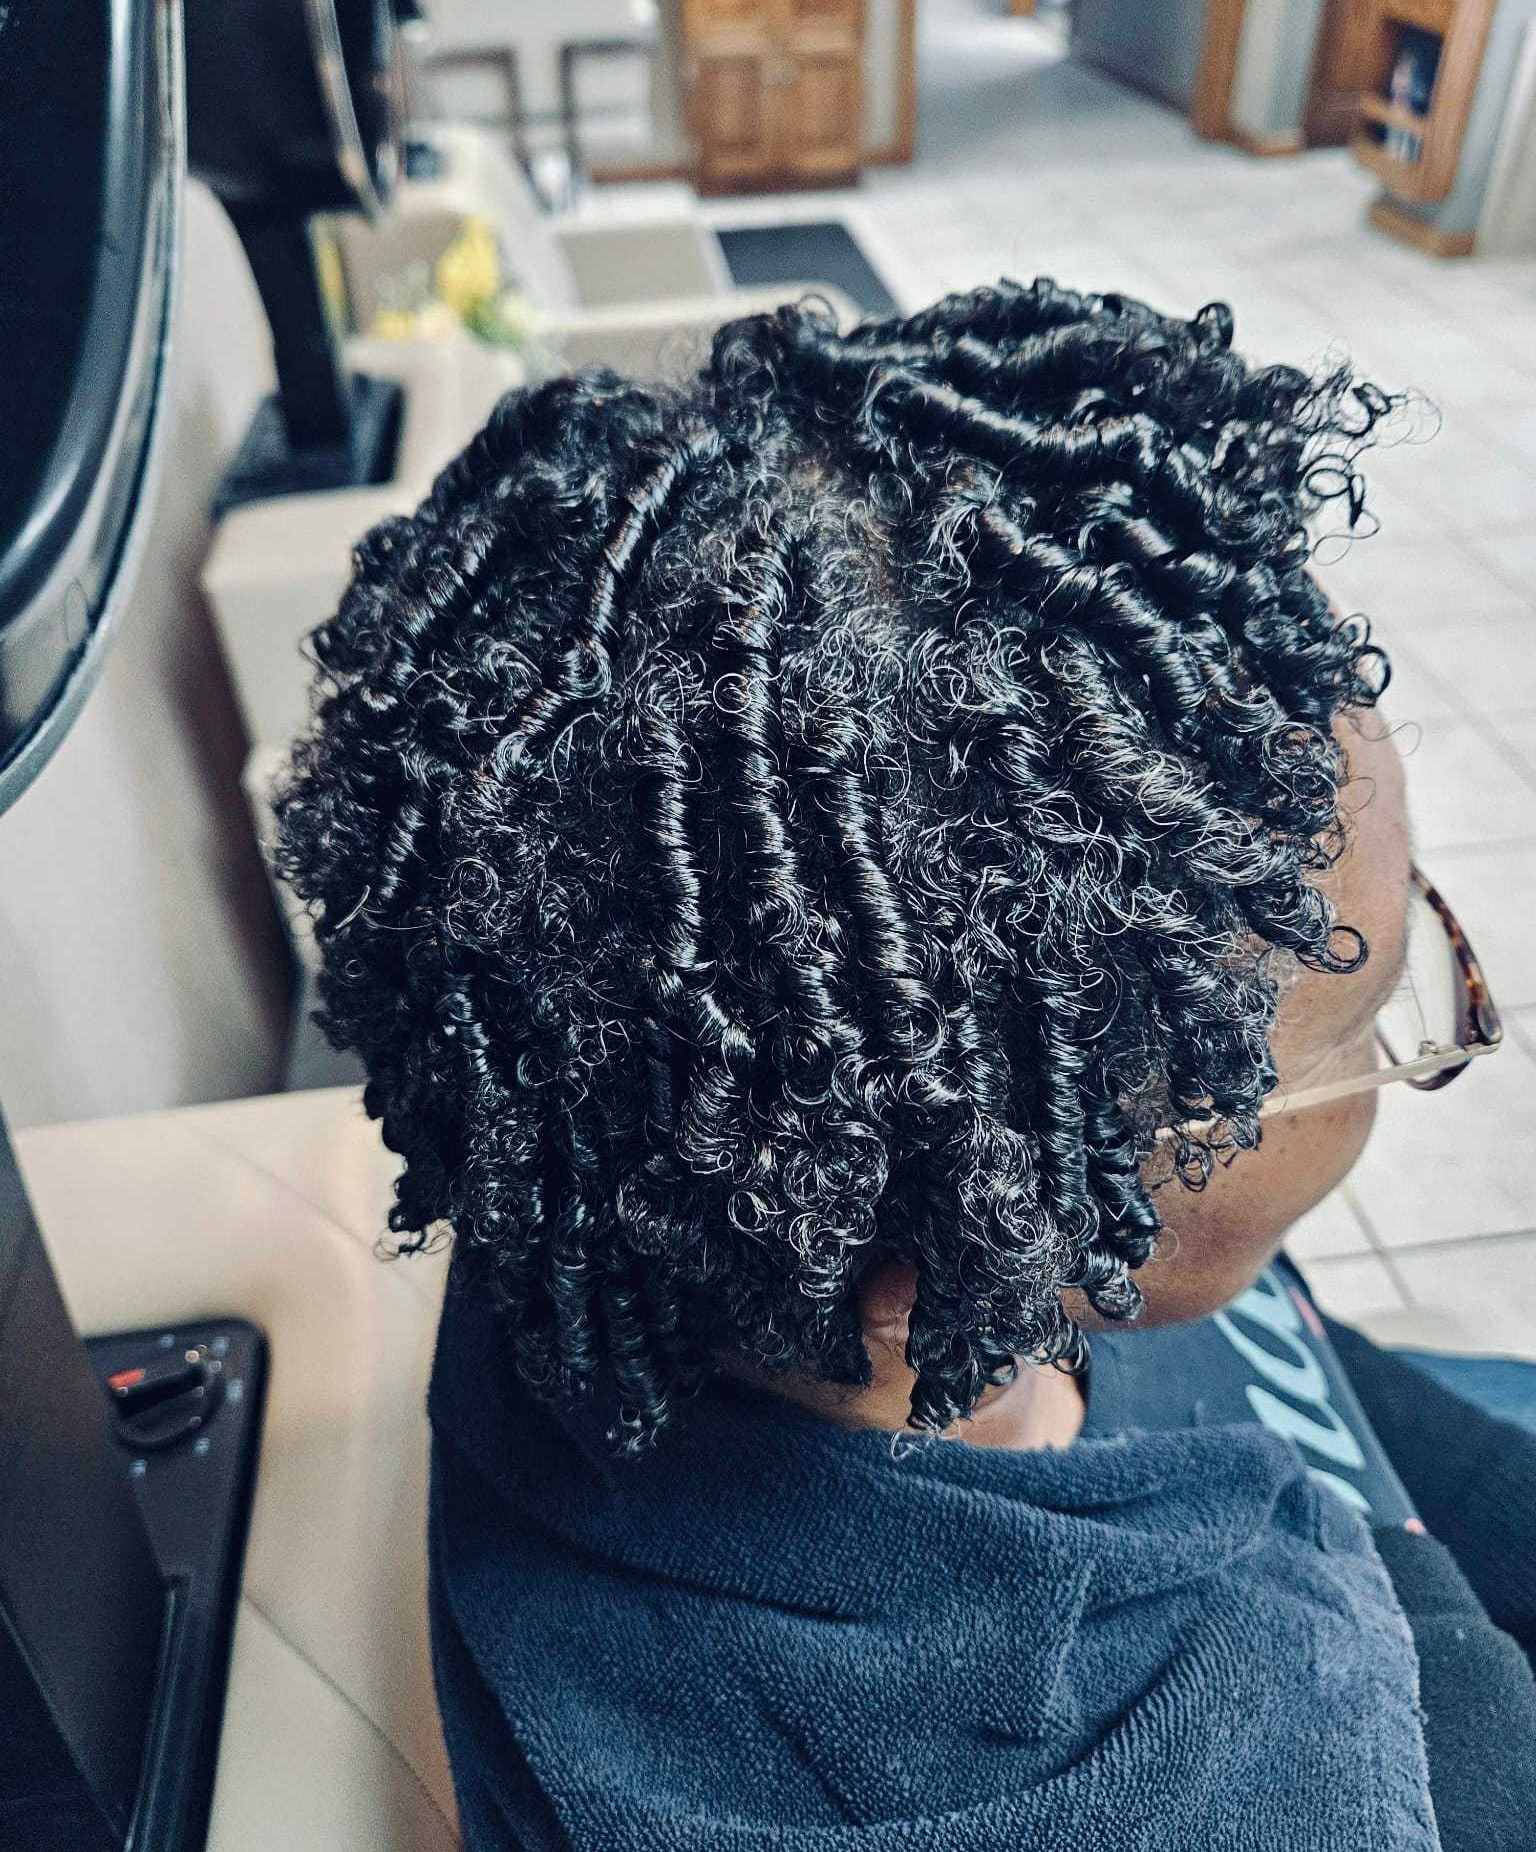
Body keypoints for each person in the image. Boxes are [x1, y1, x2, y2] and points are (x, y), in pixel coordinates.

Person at [275, 281, 1536, 1850]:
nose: (1428, 1010)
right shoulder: (1313, 1771)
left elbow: (1339, 1381)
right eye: (1358, 1036)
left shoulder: (625, 1155)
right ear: (945, 1265)